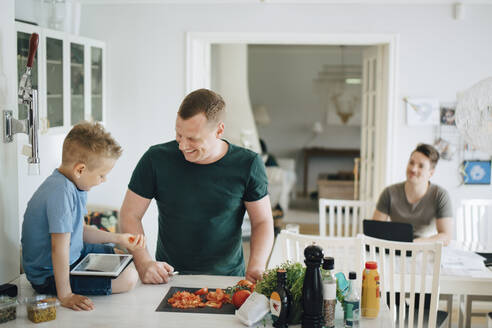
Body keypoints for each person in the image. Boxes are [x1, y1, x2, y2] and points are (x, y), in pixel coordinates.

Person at [120, 88, 274, 284]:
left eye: (192, 138)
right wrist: (143, 262)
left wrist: (257, 265)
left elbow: (262, 221)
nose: (182, 145)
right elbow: (129, 214)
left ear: (219, 130)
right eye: (179, 135)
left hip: (227, 280)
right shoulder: (155, 159)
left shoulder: (248, 164)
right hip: (169, 278)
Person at [21, 122, 145, 311]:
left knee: (123, 257)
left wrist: (118, 238)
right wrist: (66, 295)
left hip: (75, 255)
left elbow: (80, 231)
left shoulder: (73, 184)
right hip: (49, 276)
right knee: (129, 278)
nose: (104, 180)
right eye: (102, 175)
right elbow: (59, 248)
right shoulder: (60, 193)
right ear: (80, 169)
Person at [372, 143, 453, 246]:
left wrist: (414, 244)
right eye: (411, 163)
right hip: (395, 249)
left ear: (431, 173)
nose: (413, 169)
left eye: (421, 166)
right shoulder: (389, 193)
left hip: (426, 248)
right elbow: (375, 232)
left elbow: (446, 236)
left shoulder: (440, 195)